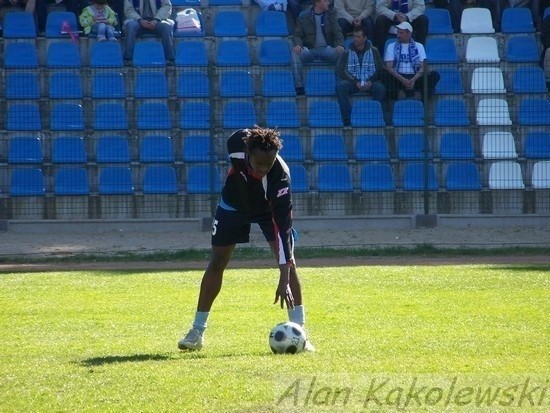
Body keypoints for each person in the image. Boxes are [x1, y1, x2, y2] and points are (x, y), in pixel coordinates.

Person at [178, 127, 314, 353]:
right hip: (233, 205)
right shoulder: (235, 145)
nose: (262, 170)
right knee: (218, 261)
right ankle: (196, 332)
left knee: (290, 265)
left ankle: (300, 333)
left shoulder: (280, 178)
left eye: (267, 165)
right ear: (248, 153)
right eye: (258, 164)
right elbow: (247, 134)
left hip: (269, 212)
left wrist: (283, 278)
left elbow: (282, 231)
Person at [291, 0, 345, 95]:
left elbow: (338, 33)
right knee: (295, 53)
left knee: (342, 53)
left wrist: (340, 45)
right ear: (317, 3)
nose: (328, 3)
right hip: (309, 50)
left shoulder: (331, 15)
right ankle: (299, 86)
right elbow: (297, 35)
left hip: (327, 49)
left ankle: (340, 85)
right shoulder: (303, 16)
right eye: (325, 1)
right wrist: (298, 45)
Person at [336, 26, 386, 126]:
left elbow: (379, 69)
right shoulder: (346, 52)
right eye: (354, 36)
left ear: (365, 38)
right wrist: (355, 82)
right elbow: (341, 70)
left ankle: (374, 115)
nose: (355, 39)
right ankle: (347, 118)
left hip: (369, 81)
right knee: (341, 86)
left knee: (380, 88)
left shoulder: (374, 51)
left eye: (358, 36)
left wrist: (371, 81)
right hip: (353, 82)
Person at [383, 21, 439, 100]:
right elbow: (389, 67)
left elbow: (423, 67)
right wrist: (403, 80)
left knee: (434, 75)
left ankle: (420, 96)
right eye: (398, 33)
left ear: (409, 34)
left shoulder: (419, 46)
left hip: (415, 76)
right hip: (398, 77)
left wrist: (413, 79)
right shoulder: (391, 46)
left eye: (401, 33)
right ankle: (397, 94)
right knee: (383, 74)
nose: (398, 35)